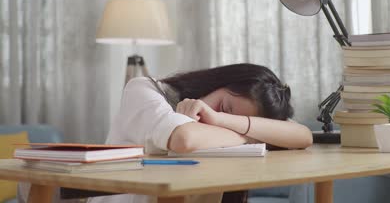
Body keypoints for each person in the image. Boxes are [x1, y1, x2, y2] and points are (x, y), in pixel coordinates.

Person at [85, 63, 312, 203]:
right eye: (224, 107)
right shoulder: (144, 89)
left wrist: (222, 119)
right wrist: (250, 135)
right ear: (219, 83)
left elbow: (302, 135)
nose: (218, 121)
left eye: (241, 121)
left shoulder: (226, 120)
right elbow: (185, 139)